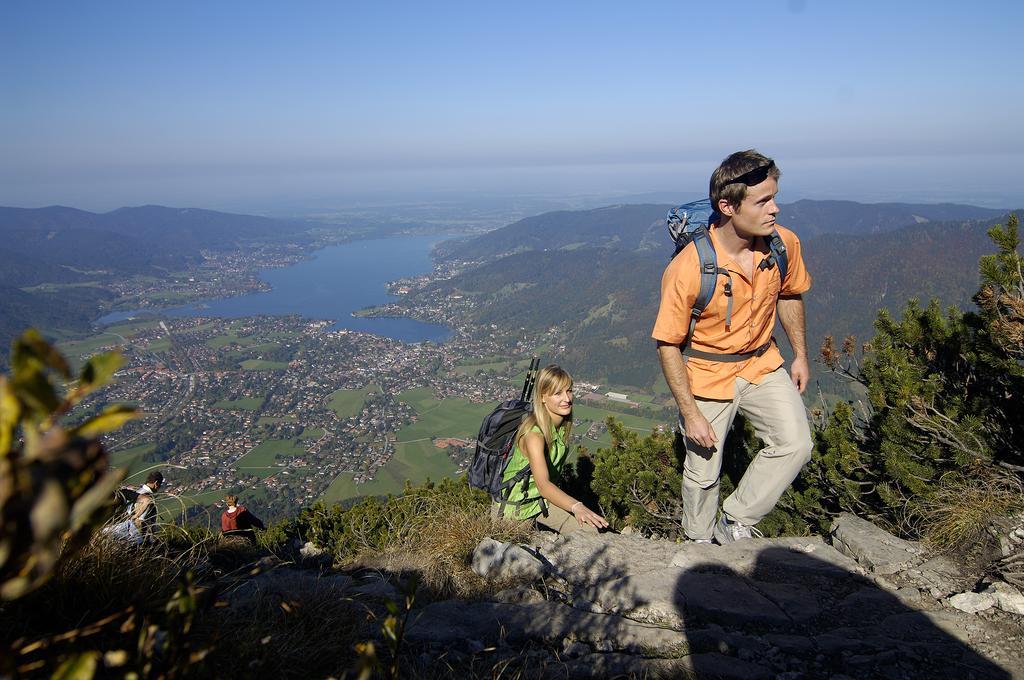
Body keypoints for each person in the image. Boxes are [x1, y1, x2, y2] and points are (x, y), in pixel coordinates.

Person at [653, 149, 814, 545]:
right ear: (727, 206)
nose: (775, 209)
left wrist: (801, 355)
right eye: (763, 201)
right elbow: (668, 344)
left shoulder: (783, 245)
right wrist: (691, 414)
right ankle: (698, 543)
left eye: (774, 197)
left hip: (763, 362)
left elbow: (790, 295)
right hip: (708, 374)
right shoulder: (689, 267)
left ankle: (736, 519)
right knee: (703, 473)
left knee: (795, 444)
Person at [495, 364, 608, 534]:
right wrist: (577, 506)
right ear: (542, 397)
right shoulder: (534, 436)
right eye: (558, 393)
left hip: (539, 503)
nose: (567, 398)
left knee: (591, 533)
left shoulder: (559, 429)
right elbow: (543, 485)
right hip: (514, 512)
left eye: (569, 391)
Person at [105, 470, 163, 544]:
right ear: (156, 483)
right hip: (134, 536)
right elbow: (141, 521)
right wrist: (147, 541)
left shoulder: (138, 492)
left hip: (122, 530)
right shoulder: (147, 497)